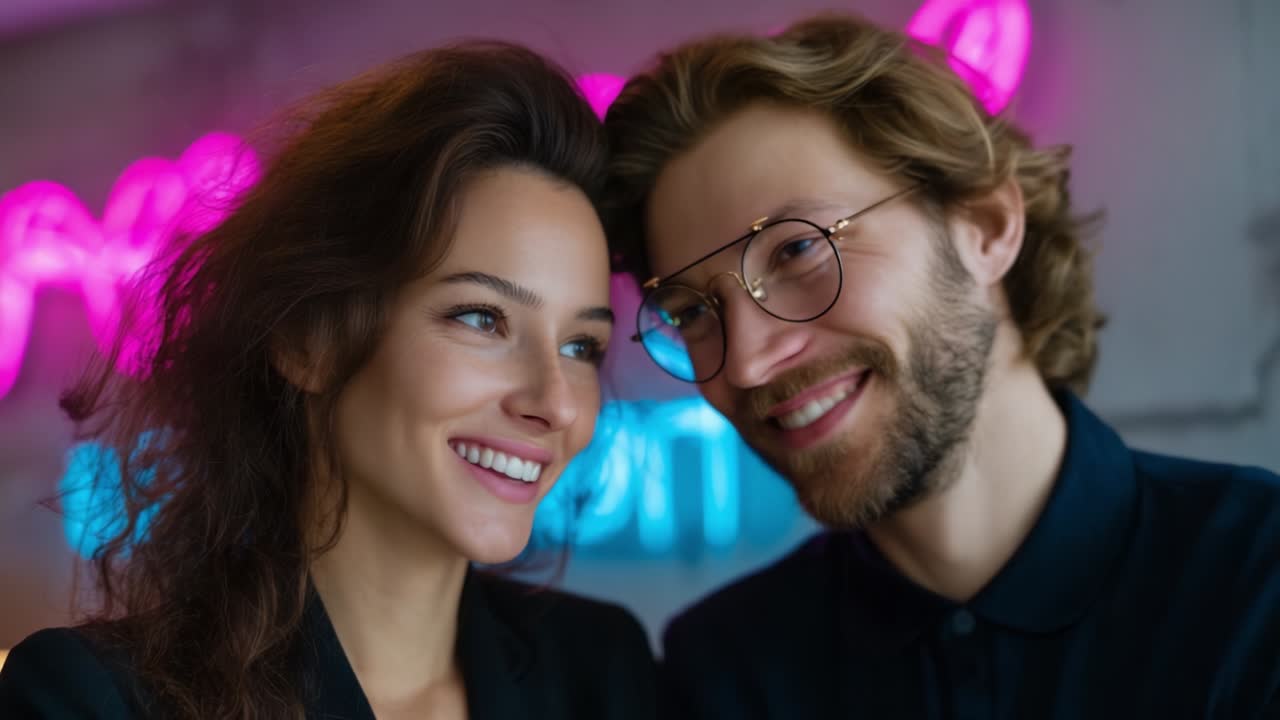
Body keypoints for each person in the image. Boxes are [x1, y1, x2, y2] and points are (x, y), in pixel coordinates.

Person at [603, 12, 1280, 719]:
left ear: (985, 226)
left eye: (798, 250)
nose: (746, 362)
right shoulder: (725, 671)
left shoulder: (1254, 583)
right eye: (691, 312)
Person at [0, 42, 655, 719]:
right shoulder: (93, 699)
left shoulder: (601, 672)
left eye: (581, 345)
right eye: (482, 318)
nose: (554, 402)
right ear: (307, 339)